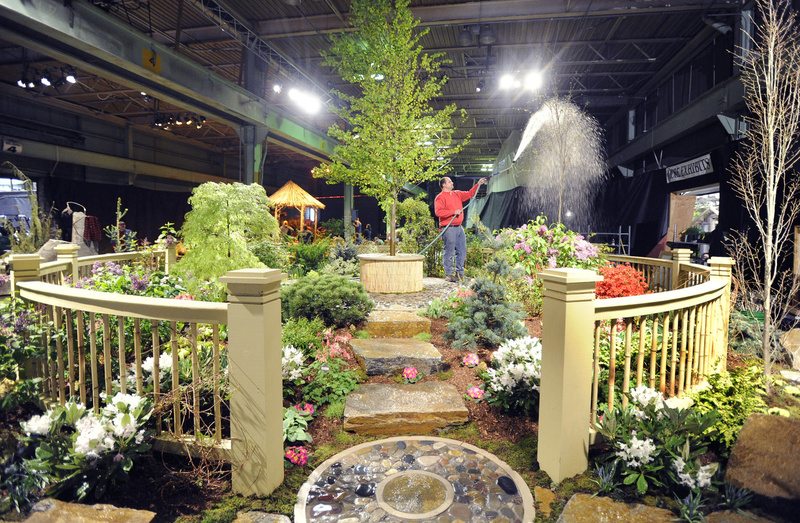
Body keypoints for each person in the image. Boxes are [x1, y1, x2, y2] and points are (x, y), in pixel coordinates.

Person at [434, 176, 486, 282]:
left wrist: (478, 184)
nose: (452, 183)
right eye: (449, 182)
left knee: (462, 250)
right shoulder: (440, 197)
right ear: (444, 185)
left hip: (458, 227)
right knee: (449, 251)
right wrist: (453, 212)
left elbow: (470, 194)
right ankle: (449, 275)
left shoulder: (457, 193)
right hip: (448, 227)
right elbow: (438, 212)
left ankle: (459, 273)